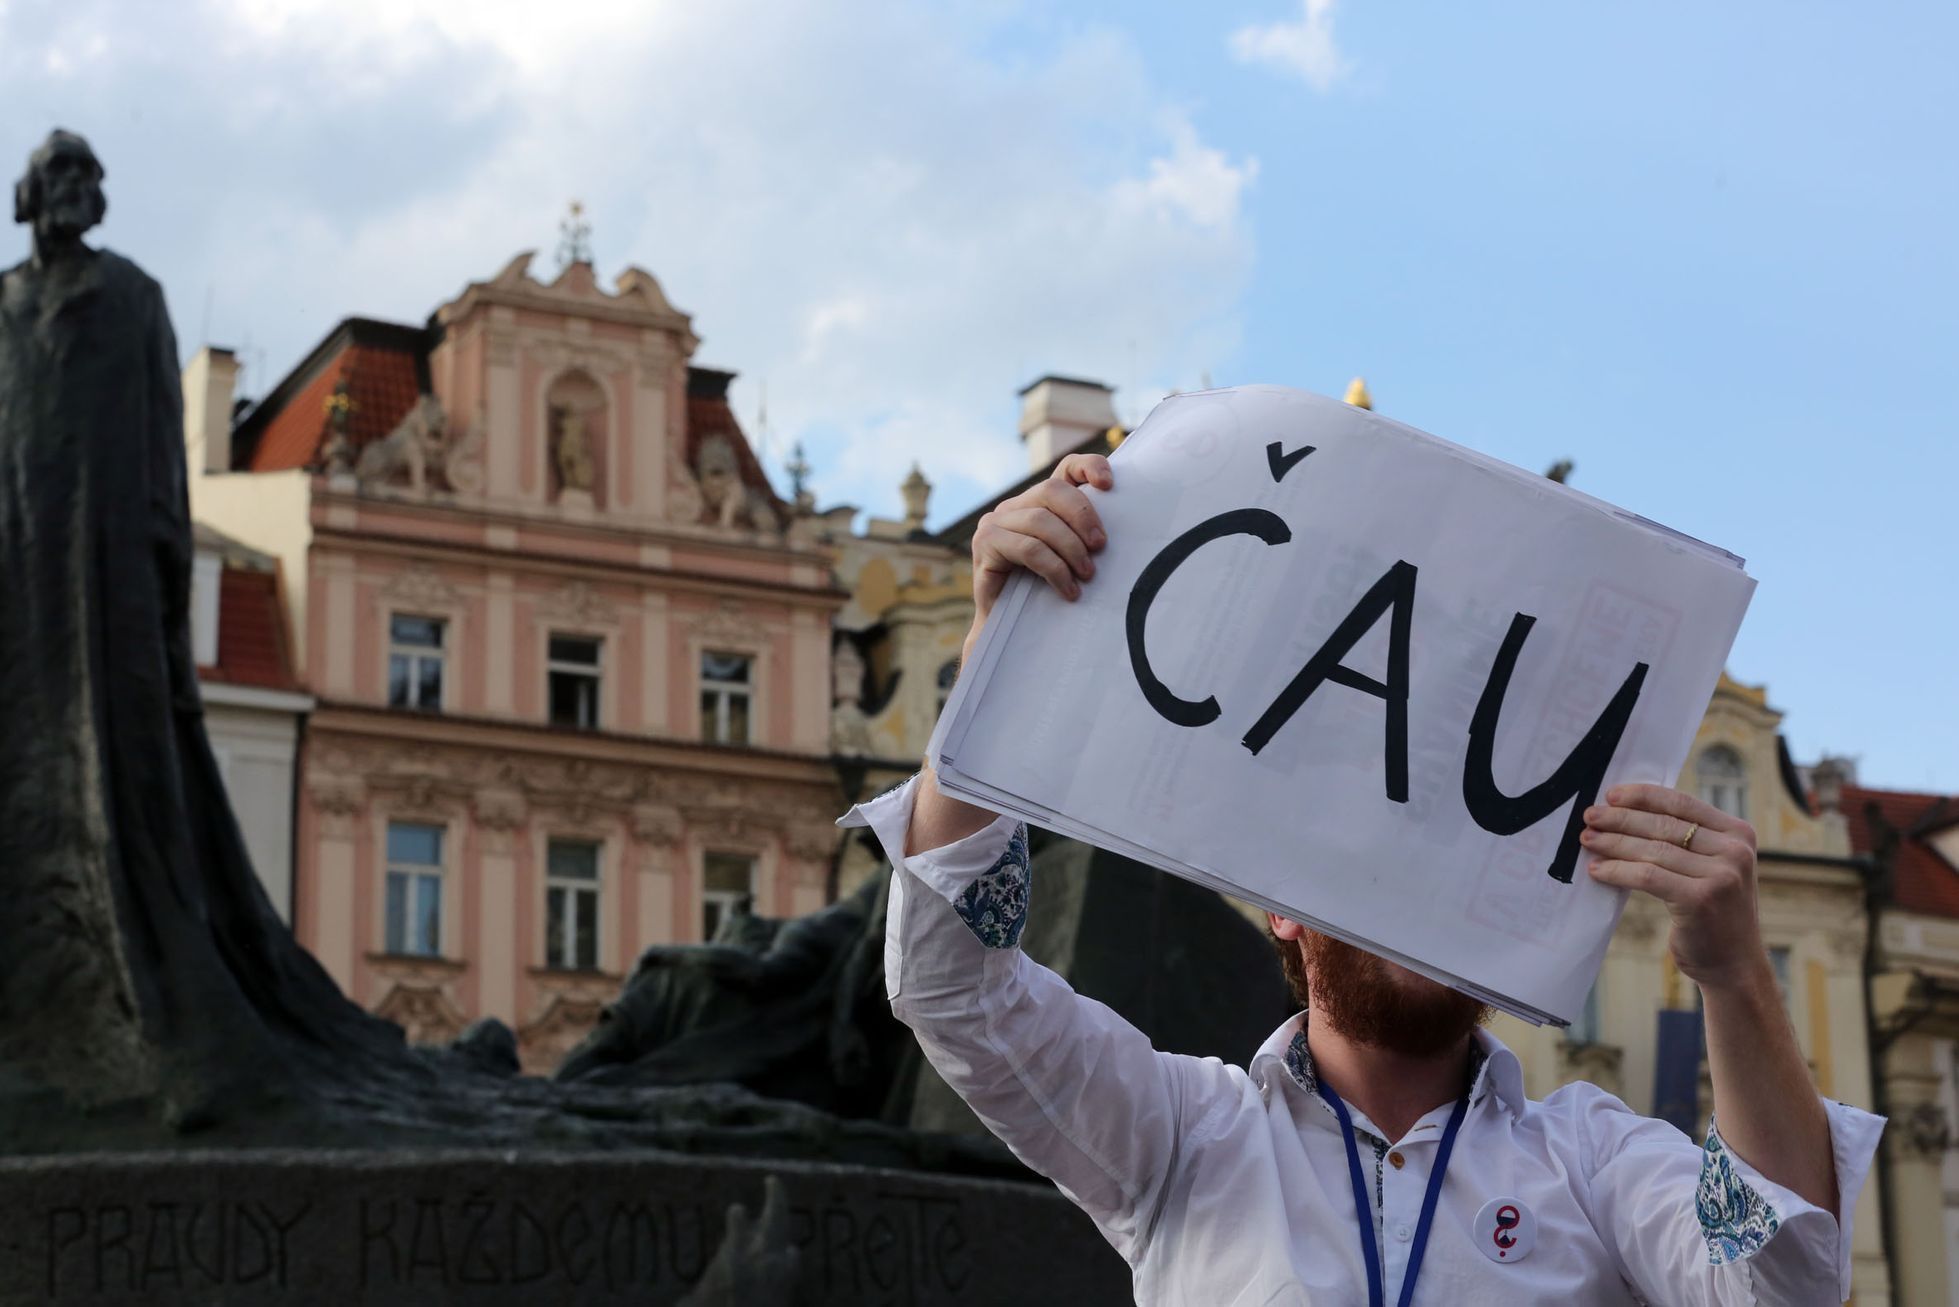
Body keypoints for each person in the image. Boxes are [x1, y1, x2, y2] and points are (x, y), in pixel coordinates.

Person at [841, 451, 1882, 1305]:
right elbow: (955, 989)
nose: (1416, 902)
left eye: (1450, 864)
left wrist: (1738, 973)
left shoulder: (1590, 1155)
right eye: (1376, 868)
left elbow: (1778, 1284)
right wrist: (998, 665)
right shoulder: (1183, 1134)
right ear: (1281, 910)